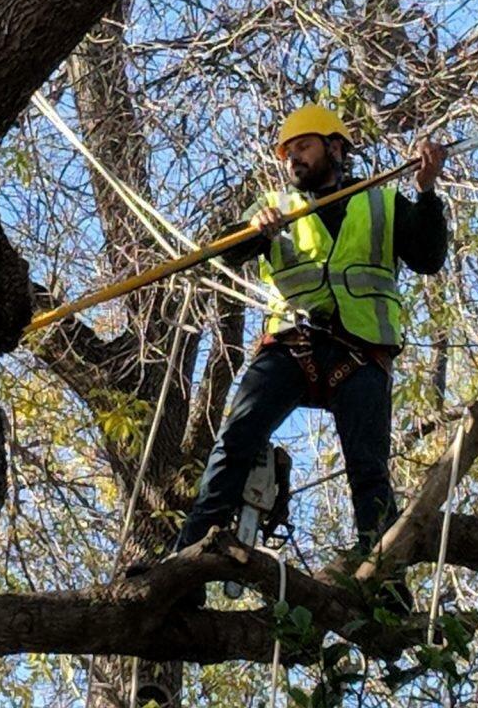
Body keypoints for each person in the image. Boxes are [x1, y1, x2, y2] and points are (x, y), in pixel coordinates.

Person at [172, 104, 448, 607]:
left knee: (369, 469)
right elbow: (225, 251)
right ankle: (185, 566)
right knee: (234, 442)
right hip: (292, 345)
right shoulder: (276, 208)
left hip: (360, 351)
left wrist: (427, 193)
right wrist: (257, 229)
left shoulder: (382, 203)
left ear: (335, 148)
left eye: (303, 146)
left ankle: (385, 582)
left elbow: (428, 258)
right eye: (288, 151)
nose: (293, 158)